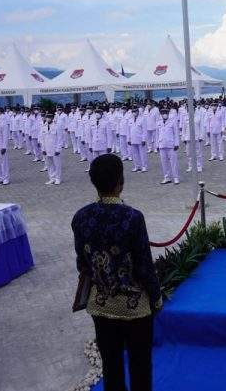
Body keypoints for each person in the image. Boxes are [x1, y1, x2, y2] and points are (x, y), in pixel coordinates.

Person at [72, 154, 162, 391]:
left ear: (94, 182)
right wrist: (156, 297)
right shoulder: (132, 217)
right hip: (134, 307)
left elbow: (82, 263)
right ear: (121, 181)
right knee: (140, 366)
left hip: (101, 304)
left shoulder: (81, 217)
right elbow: (144, 265)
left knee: (111, 367)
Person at [156, 107, 180, 184]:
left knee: (174, 162)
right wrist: (157, 145)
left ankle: (176, 177)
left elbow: (176, 133)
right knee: (164, 162)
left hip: (171, 145)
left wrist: (176, 143)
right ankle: (167, 177)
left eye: (166, 113)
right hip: (162, 144)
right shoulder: (158, 122)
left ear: (168, 114)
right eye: (163, 113)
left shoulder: (172, 122)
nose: (164, 114)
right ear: (161, 114)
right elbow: (157, 134)